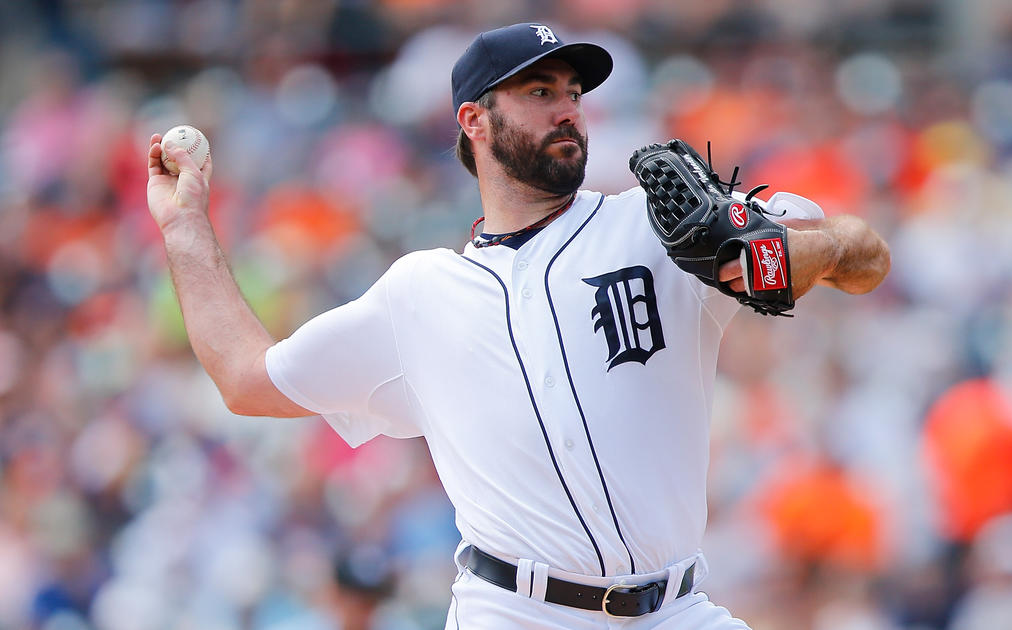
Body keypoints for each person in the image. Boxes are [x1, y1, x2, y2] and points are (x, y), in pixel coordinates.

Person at [145, 22, 890, 630]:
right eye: (540, 91)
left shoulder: (654, 225)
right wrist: (185, 230)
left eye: (573, 91)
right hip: (517, 612)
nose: (568, 107)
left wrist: (800, 251)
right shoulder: (418, 295)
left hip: (677, 610)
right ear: (474, 120)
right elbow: (247, 379)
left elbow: (866, 254)